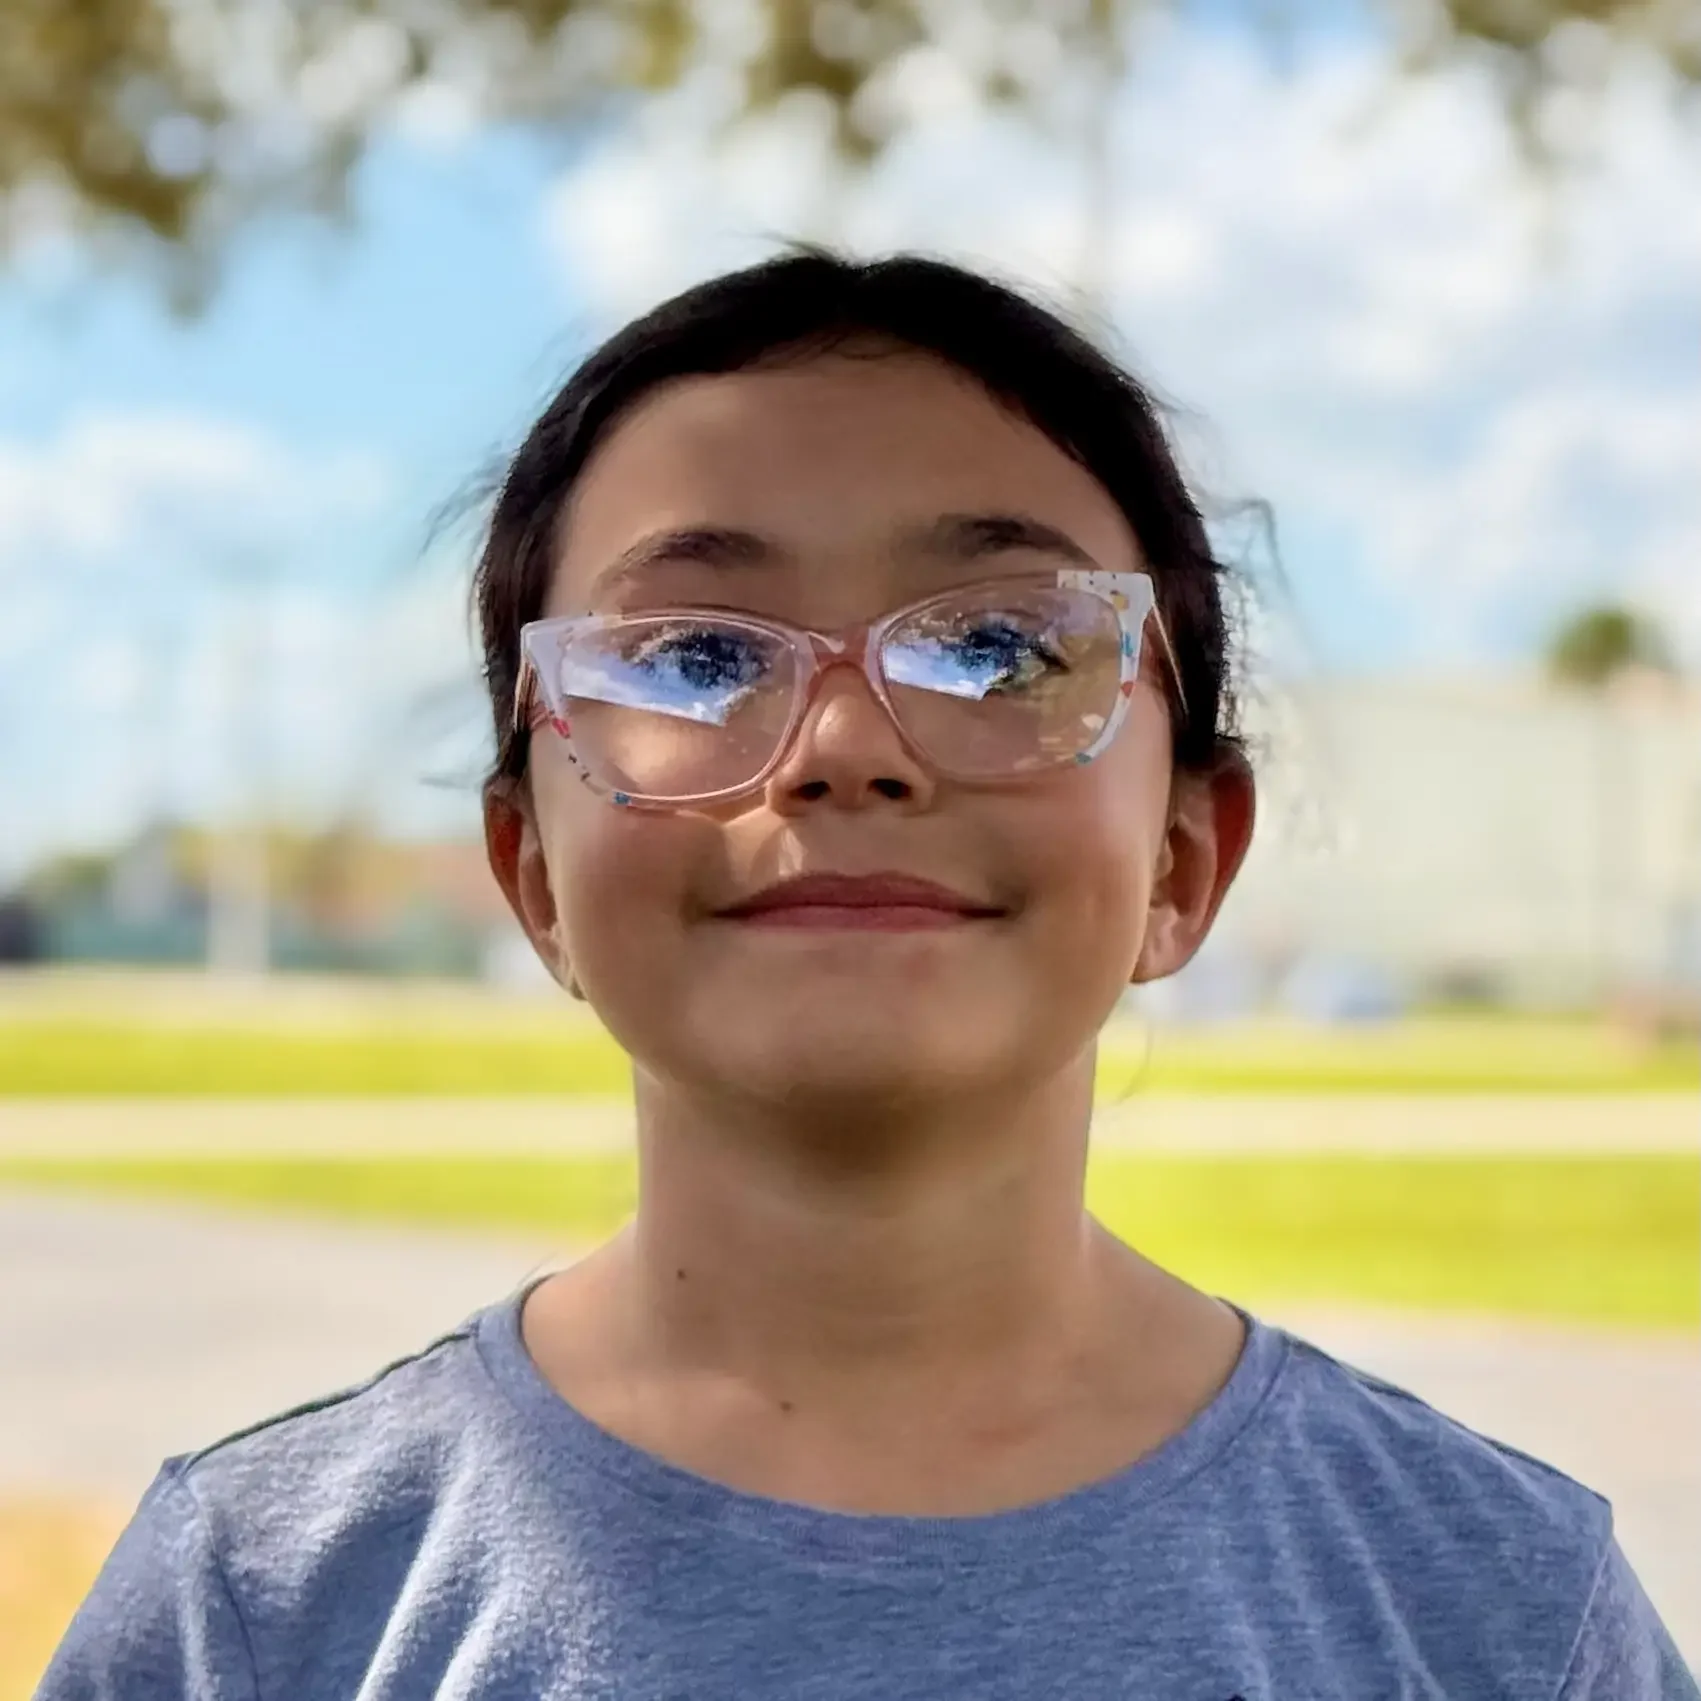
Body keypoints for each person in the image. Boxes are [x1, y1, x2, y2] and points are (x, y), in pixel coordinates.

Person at [38, 250, 1696, 1699]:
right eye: (692, 655)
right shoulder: (256, 1612)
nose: (844, 750)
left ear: (1187, 860)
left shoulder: (1498, 1614)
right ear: (531, 871)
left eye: (1001, 648)